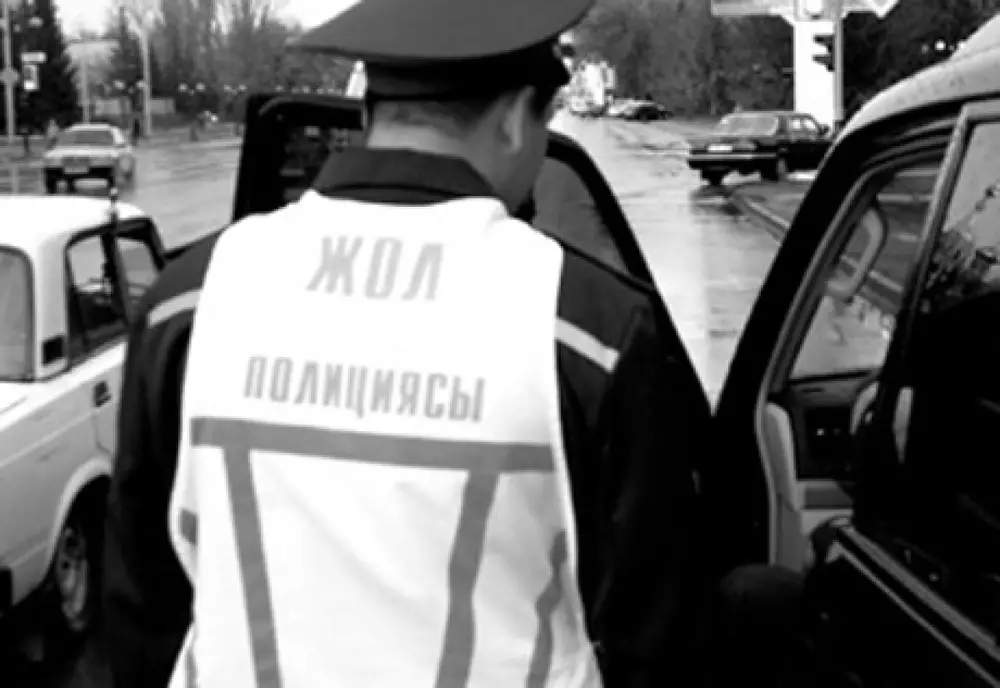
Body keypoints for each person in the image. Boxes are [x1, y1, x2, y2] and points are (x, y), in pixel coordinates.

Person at [102, 0, 711, 685]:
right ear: (516, 119)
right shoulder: (586, 328)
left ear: (370, 113)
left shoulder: (191, 300)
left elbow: (142, 608)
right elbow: (653, 636)